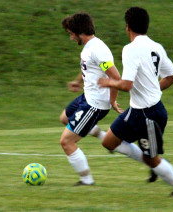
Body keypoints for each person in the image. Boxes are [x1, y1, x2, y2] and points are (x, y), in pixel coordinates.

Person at [98, 7, 173, 197]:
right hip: (137, 111)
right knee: (109, 142)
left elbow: (126, 85)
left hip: (148, 114)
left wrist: (109, 82)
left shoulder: (130, 49)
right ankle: (150, 161)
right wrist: (153, 89)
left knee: (153, 160)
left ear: (127, 27)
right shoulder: (156, 46)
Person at [60, 13, 123, 186]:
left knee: (66, 142)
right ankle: (101, 135)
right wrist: (77, 82)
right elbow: (88, 66)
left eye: (71, 33)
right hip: (86, 97)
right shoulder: (89, 48)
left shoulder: (98, 49)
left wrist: (112, 101)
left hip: (95, 104)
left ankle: (86, 180)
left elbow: (116, 78)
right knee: (64, 118)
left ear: (79, 31)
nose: (71, 37)